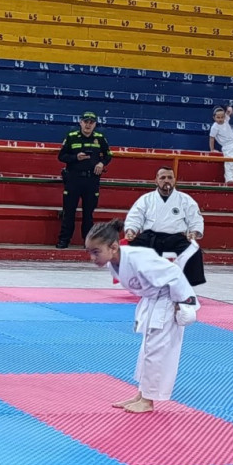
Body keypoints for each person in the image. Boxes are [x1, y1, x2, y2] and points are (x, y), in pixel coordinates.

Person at [85, 219, 199, 414]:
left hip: (169, 303)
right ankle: (141, 394)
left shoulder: (139, 258)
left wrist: (185, 305)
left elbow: (174, 274)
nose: (92, 258)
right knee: (146, 350)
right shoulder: (116, 261)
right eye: (90, 252)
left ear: (113, 247)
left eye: (96, 252)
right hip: (153, 301)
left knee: (157, 353)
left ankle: (148, 401)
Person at [124, 166, 206, 287]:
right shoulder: (146, 199)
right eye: (162, 177)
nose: (166, 180)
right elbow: (135, 217)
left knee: (193, 251)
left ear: (174, 180)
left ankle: (187, 285)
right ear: (156, 181)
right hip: (151, 237)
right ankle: (136, 282)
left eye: (169, 177)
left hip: (175, 238)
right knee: (129, 249)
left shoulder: (185, 199)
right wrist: (131, 230)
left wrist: (193, 232)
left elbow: (195, 219)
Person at [56, 111, 112, 249]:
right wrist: (76, 157)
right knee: (69, 211)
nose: (88, 125)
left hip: (91, 180)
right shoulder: (72, 137)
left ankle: (88, 242)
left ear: (95, 124)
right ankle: (64, 240)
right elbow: (61, 156)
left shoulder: (100, 138)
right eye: (85, 122)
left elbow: (108, 155)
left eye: (91, 122)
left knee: (88, 213)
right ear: (80, 122)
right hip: (73, 178)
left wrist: (101, 163)